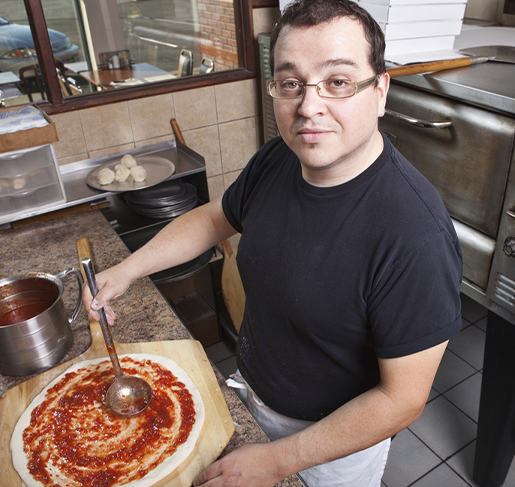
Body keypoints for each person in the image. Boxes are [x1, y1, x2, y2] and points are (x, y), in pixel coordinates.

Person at [82, 0, 463, 485]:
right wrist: (128, 269)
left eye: (338, 82)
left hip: (328, 444)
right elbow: (216, 217)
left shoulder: (414, 236)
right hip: (254, 394)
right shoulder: (279, 160)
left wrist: (280, 459)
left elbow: (401, 399)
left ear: (380, 90)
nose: (308, 106)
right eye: (290, 84)